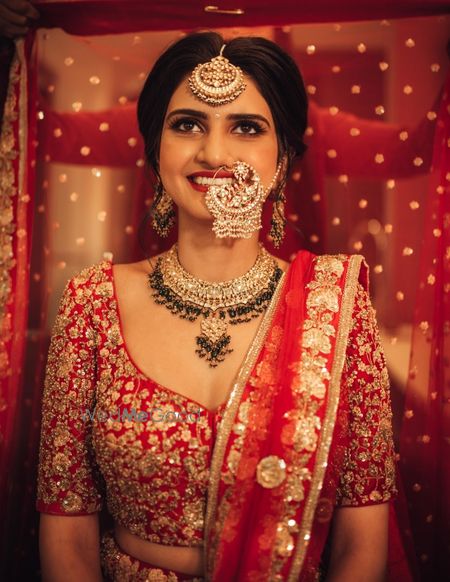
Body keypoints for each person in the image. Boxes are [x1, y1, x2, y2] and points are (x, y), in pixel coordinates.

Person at [35, 31, 397, 581]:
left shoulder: (336, 307)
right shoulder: (92, 302)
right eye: (187, 124)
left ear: (284, 157)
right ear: (156, 148)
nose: (214, 153)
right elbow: (68, 531)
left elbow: (361, 544)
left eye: (247, 128)